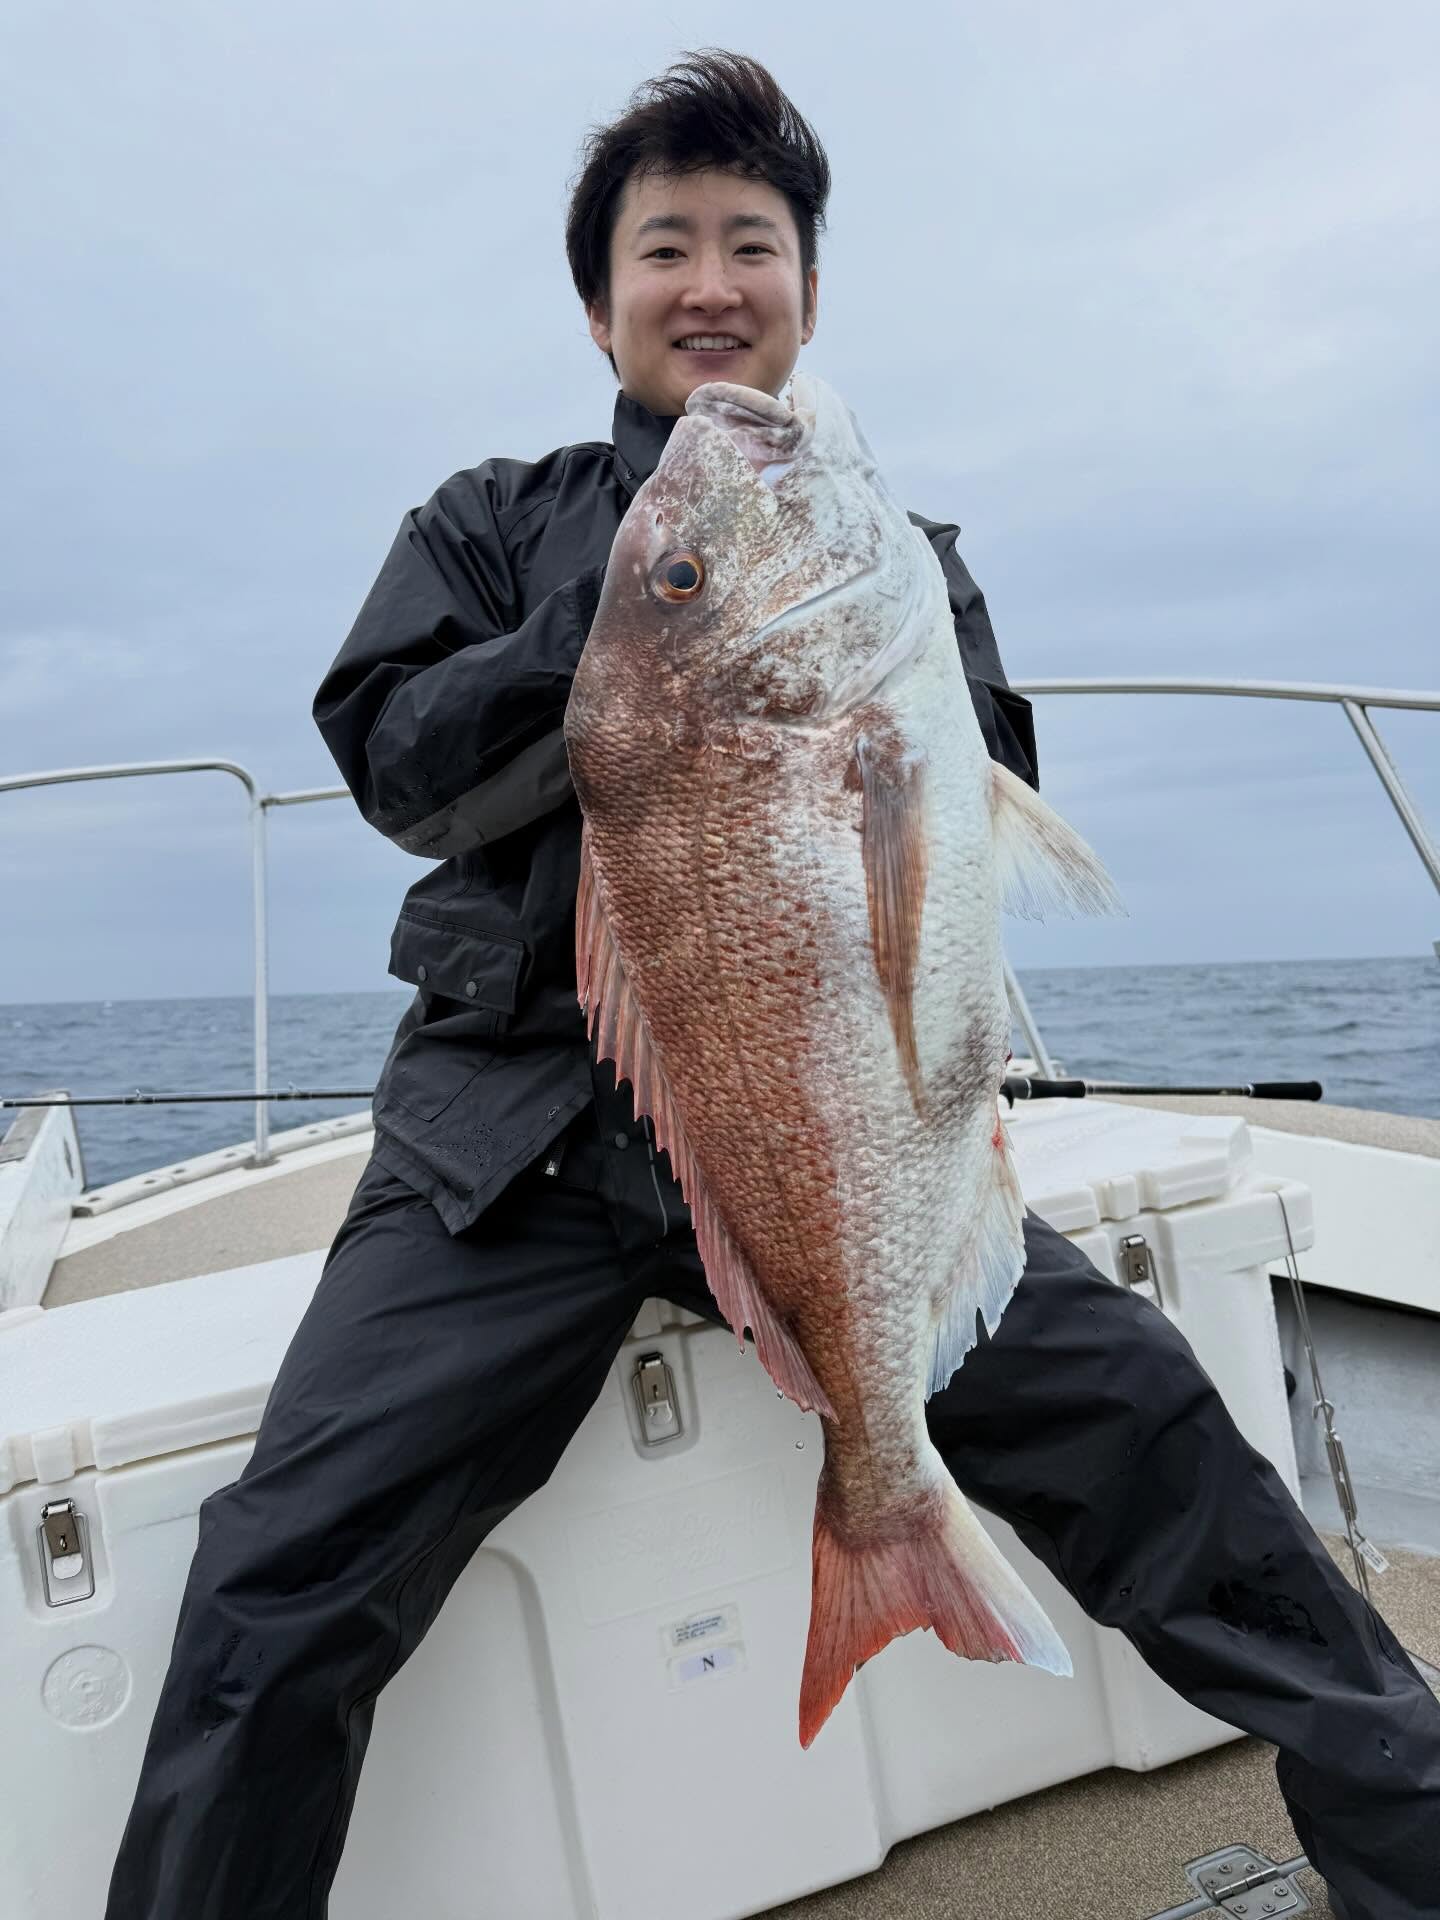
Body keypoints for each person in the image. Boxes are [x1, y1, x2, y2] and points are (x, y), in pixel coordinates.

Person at [105, 49, 1439, 1920]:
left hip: (841, 1126)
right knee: (276, 1581)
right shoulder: (492, 529)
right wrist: (651, 615)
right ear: (600, 302)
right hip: (512, 1149)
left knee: (1153, 1435)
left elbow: (978, 802)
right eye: (667, 247)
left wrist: (778, 627)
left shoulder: (897, 554)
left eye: (757, 243)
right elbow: (401, 763)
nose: (712, 281)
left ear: (809, 293)